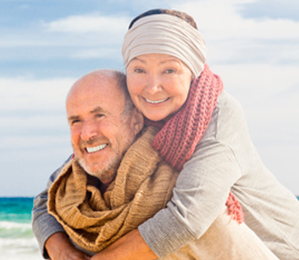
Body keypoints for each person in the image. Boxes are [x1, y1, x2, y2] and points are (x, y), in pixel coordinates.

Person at [33, 9, 299, 260]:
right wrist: (61, 251)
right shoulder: (136, 115)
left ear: (192, 71)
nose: (153, 87)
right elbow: (52, 195)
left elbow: (188, 218)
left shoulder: (217, 115)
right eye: (139, 70)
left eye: (169, 70)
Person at [43, 68, 278, 260]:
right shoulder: (70, 185)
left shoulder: (184, 196)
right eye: (76, 120)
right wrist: (60, 248)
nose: (86, 134)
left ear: (136, 120)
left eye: (100, 115)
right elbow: (44, 203)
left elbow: (190, 224)